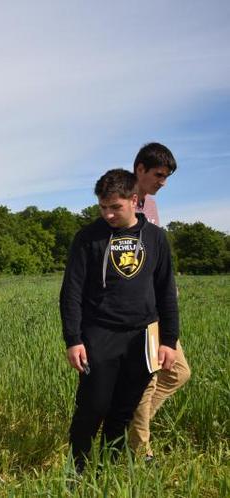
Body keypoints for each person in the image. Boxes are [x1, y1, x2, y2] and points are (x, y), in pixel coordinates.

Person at [60, 169, 179, 473]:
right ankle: (78, 471)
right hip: (100, 334)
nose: (109, 214)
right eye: (103, 207)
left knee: (124, 409)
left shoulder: (155, 238)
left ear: (134, 200)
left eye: (116, 207)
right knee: (93, 406)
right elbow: (71, 292)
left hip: (142, 335)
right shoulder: (88, 238)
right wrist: (73, 339)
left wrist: (168, 341)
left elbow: (166, 290)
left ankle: (111, 467)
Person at [127, 143, 190, 461]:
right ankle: (140, 450)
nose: (163, 182)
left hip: (159, 302)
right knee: (149, 378)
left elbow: (156, 255)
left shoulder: (149, 204)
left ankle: (124, 427)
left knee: (178, 372)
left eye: (166, 176)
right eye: (159, 175)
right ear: (140, 169)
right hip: (140, 307)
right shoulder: (122, 202)